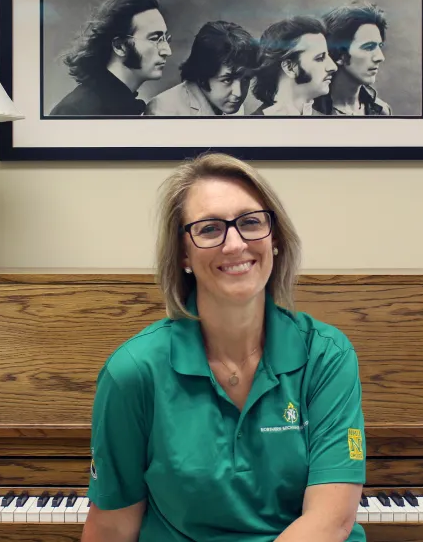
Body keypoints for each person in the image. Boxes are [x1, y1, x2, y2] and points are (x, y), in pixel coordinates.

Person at [83, 152, 367, 542]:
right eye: (210, 229)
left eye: (251, 223)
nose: (235, 244)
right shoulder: (133, 372)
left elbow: (331, 521)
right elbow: (113, 526)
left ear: (276, 238)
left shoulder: (327, 355)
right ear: (183, 253)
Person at [48, 0, 172, 116]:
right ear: (119, 46)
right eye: (155, 39)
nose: (167, 51)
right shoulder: (74, 111)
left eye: (165, 39)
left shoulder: (129, 106)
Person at [144, 20, 259, 116]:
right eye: (227, 79)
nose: (238, 93)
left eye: (245, 79)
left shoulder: (235, 109)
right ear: (202, 76)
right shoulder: (164, 110)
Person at [250, 16, 336, 116]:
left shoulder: (328, 124)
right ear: (290, 68)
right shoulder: (252, 126)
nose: (333, 66)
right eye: (320, 58)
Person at [317, 1, 392, 116]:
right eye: (368, 47)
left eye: (379, 46)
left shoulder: (380, 111)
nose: (380, 57)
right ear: (339, 54)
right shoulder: (309, 111)